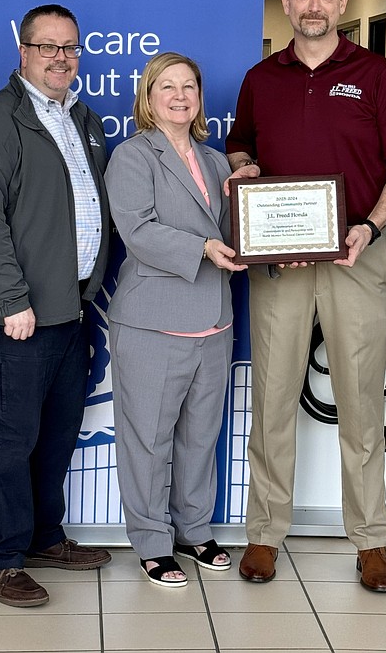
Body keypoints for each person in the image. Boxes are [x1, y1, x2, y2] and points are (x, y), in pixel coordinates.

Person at [225, 0, 386, 590]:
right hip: (280, 262)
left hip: (355, 256)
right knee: (273, 396)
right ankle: (264, 534)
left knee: (363, 402)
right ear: (288, 3)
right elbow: (239, 143)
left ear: (341, 2)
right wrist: (247, 170)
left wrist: (369, 226)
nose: (313, 6)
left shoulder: (375, 74)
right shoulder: (261, 77)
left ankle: (370, 540)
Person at [0, 4, 112, 608]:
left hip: (71, 313)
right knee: (11, 439)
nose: (60, 57)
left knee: (56, 435)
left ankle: (47, 538)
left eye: (70, 47)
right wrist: (12, 300)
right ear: (23, 51)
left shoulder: (83, 118)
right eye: (47, 47)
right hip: (18, 319)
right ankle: (1, 560)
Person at [106, 52, 247, 587]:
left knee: (199, 438)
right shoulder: (132, 157)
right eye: (168, 86)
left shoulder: (216, 163)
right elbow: (137, 232)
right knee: (148, 440)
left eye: (190, 86)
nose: (180, 96)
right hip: (152, 323)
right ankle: (151, 541)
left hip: (213, 320)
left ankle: (193, 529)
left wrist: (254, 206)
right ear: (149, 95)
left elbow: (240, 231)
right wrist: (206, 246)